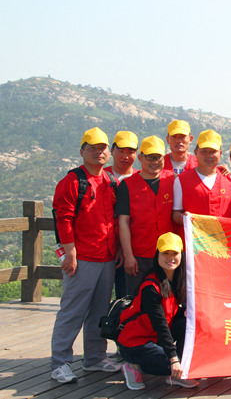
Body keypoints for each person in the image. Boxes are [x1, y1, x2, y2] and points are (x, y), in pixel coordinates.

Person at [50, 127, 122, 383]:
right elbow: (64, 219)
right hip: (82, 258)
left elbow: (115, 219)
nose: (98, 152)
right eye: (92, 148)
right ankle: (60, 363)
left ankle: (94, 358)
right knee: (73, 311)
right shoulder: (72, 181)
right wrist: (70, 253)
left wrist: (118, 248)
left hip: (107, 257)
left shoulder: (110, 181)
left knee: (100, 311)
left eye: (102, 148)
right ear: (82, 151)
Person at [118, 232, 199, 390]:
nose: (170, 258)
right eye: (165, 253)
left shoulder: (177, 279)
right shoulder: (151, 287)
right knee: (172, 364)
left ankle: (175, 373)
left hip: (155, 338)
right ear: (157, 255)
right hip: (135, 342)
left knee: (188, 323)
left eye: (174, 253)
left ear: (181, 255)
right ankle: (133, 366)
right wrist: (173, 359)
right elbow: (160, 325)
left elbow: (172, 314)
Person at [116, 135, 175, 296]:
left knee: (167, 300)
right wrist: (128, 256)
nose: (155, 162)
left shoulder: (172, 179)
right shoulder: (127, 185)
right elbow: (123, 222)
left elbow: (198, 174)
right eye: (150, 157)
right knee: (137, 300)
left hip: (167, 254)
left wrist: (221, 170)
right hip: (139, 256)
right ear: (140, 157)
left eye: (158, 157)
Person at [172, 129, 231, 227]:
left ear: (220, 153)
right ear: (196, 152)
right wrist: (183, 218)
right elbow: (175, 213)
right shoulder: (181, 180)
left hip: (223, 236)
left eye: (213, 151)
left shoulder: (230, 179)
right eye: (204, 151)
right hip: (195, 236)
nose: (209, 155)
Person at [105, 130, 138, 299]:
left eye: (130, 152)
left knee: (126, 297)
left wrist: (125, 250)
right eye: (121, 151)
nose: (125, 156)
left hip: (132, 250)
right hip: (103, 248)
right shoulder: (101, 175)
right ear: (112, 151)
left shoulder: (141, 178)